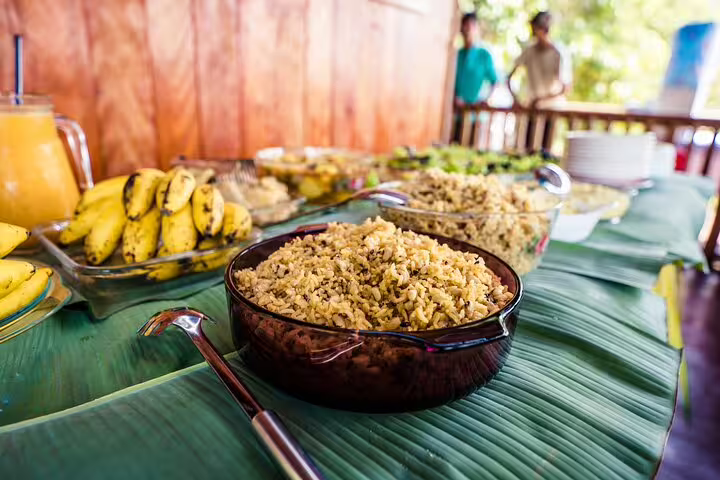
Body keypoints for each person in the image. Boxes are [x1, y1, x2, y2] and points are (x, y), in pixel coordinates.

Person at [507, 11, 572, 150]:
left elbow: (565, 88)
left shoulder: (559, 53)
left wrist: (541, 99)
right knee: (526, 148)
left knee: (545, 150)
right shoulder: (529, 51)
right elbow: (509, 77)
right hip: (532, 109)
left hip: (551, 110)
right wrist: (516, 99)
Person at [452, 12, 498, 144]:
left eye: (470, 26)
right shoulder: (457, 55)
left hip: (476, 116)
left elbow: (494, 82)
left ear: (476, 28)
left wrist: (485, 100)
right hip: (457, 114)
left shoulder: (484, 55)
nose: (467, 30)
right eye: (464, 26)